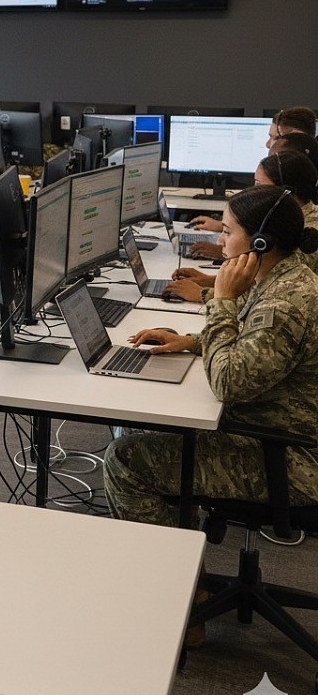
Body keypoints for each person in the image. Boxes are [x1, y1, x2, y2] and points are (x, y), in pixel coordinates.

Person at [104, 185, 318, 532]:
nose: (220, 240)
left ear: (260, 242)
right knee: (137, 421)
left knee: (125, 460)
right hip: (268, 428)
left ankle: (176, 564)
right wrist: (190, 341)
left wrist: (222, 301)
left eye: (228, 232)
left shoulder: (284, 305)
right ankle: (181, 531)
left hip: (288, 458)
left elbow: (227, 383)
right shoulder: (281, 276)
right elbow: (249, 338)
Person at [168, 151, 318, 301]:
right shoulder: (296, 221)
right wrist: (214, 281)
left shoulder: (306, 232)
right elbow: (258, 286)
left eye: (258, 184)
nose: (253, 190)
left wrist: (205, 294)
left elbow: (273, 291)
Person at [187, 130, 318, 259]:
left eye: (259, 185)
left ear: (285, 192)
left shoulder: (310, 232)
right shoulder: (287, 218)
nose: (252, 191)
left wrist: (228, 253)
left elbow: (278, 265)